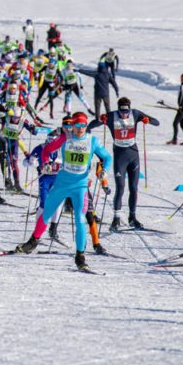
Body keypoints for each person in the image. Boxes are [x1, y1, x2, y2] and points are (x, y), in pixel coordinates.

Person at [13, 111, 112, 272]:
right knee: (46, 213)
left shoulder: (92, 141)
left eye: (83, 125)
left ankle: (80, 255)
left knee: (80, 218)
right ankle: (33, 242)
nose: (80, 129)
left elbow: (107, 158)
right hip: (61, 183)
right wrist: (45, 163)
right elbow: (46, 150)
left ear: (86, 126)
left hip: (80, 186)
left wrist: (104, 171)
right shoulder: (65, 138)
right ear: (72, 126)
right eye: (77, 125)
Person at [88, 97, 159, 230]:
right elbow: (90, 125)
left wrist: (147, 120)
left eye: (126, 112)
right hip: (120, 156)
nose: (124, 115)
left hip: (133, 155)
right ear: (118, 109)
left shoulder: (136, 114)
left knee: (133, 188)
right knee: (120, 188)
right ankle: (116, 219)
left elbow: (157, 122)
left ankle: (132, 217)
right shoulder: (111, 116)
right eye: (121, 112)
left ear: (130, 108)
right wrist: (100, 119)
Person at [169, 72, 183, 145]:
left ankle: (174, 140)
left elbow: (182, 96)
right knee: (182, 124)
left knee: (175, 123)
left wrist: (181, 106)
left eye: (182, 77)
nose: (181, 79)